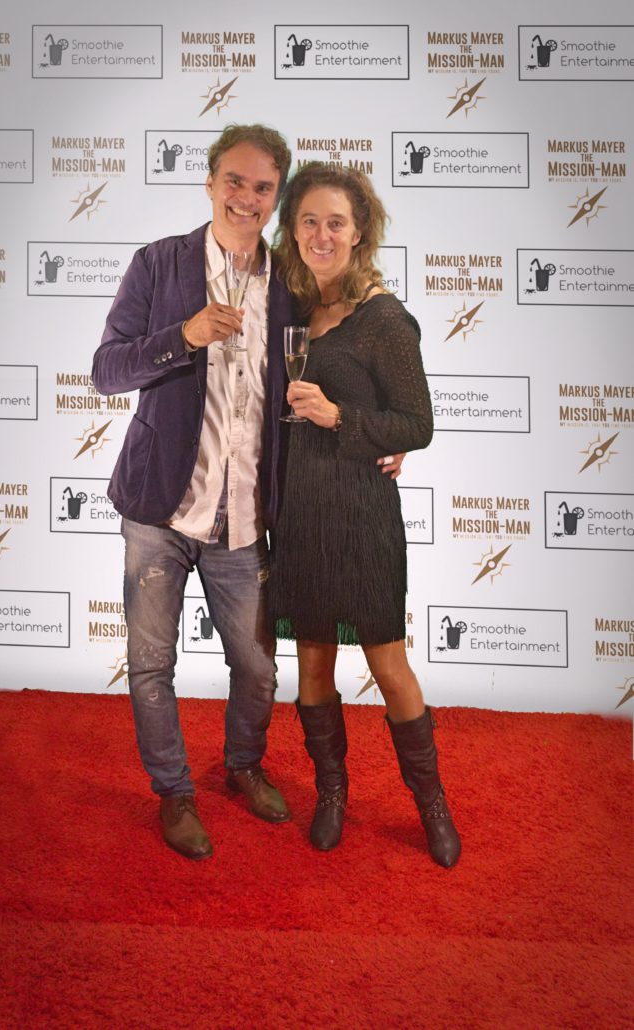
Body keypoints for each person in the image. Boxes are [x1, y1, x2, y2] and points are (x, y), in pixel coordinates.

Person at [91, 124, 300, 861]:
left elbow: (326, 374)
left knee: (257, 667)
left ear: (277, 197)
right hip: (159, 510)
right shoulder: (159, 264)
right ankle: (174, 791)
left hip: (243, 516)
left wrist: (374, 433)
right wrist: (182, 335)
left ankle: (242, 765)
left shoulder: (291, 282)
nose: (246, 197)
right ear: (210, 183)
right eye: (234, 181)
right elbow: (106, 370)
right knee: (152, 664)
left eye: (263, 187)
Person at [269, 163, 461, 868]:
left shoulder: (384, 319)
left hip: (361, 515)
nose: (321, 235)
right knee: (312, 663)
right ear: (293, 230)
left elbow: (417, 424)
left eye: (335, 223)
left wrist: (340, 417)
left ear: (359, 232)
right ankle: (331, 793)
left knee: (388, 664)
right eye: (309, 221)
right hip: (300, 513)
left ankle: (431, 803)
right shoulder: (293, 304)